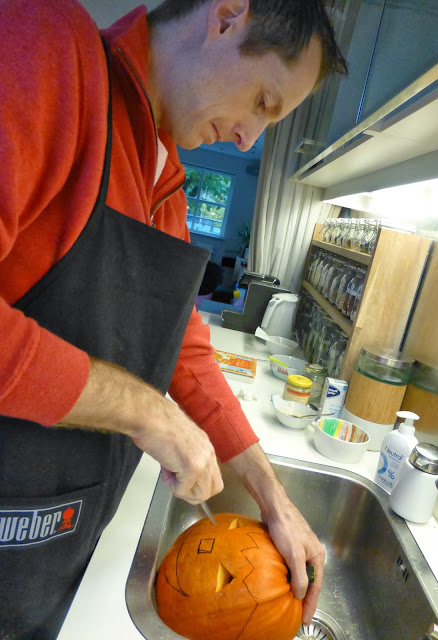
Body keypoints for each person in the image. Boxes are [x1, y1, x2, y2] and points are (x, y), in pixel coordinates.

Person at [0, 0, 347, 637]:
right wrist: (149, 413)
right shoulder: (44, 47)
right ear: (228, 15)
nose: (249, 139)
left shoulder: (165, 182)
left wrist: (272, 496)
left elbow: (185, 353)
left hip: (54, 539)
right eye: (263, 102)